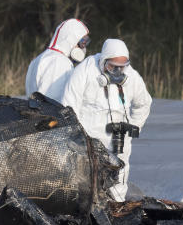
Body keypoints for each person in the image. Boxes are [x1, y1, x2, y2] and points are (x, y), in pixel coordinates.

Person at [62, 38, 152, 201]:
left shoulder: (132, 77)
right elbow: (69, 105)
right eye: (112, 67)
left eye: (122, 67)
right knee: (85, 182)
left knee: (119, 179)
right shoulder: (85, 71)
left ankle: (116, 211)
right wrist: (77, 137)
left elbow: (144, 103)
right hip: (89, 139)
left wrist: (132, 128)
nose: (118, 72)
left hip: (118, 139)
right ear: (103, 61)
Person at [25, 18, 90, 102]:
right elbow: (53, 102)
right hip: (47, 114)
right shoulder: (59, 62)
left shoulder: (39, 58)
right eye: (82, 43)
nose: (83, 49)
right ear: (71, 40)